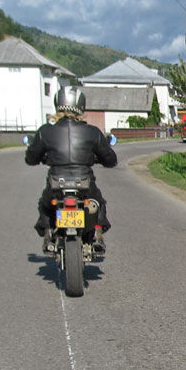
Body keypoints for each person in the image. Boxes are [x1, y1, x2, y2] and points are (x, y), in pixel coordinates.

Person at [25, 86, 118, 254]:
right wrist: (99, 159)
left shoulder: (45, 131)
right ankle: (97, 233)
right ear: (81, 106)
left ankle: (47, 234)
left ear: (57, 104)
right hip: (84, 183)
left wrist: (42, 157)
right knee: (98, 204)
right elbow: (110, 159)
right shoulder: (92, 132)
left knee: (45, 205)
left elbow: (31, 158)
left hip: (56, 184)